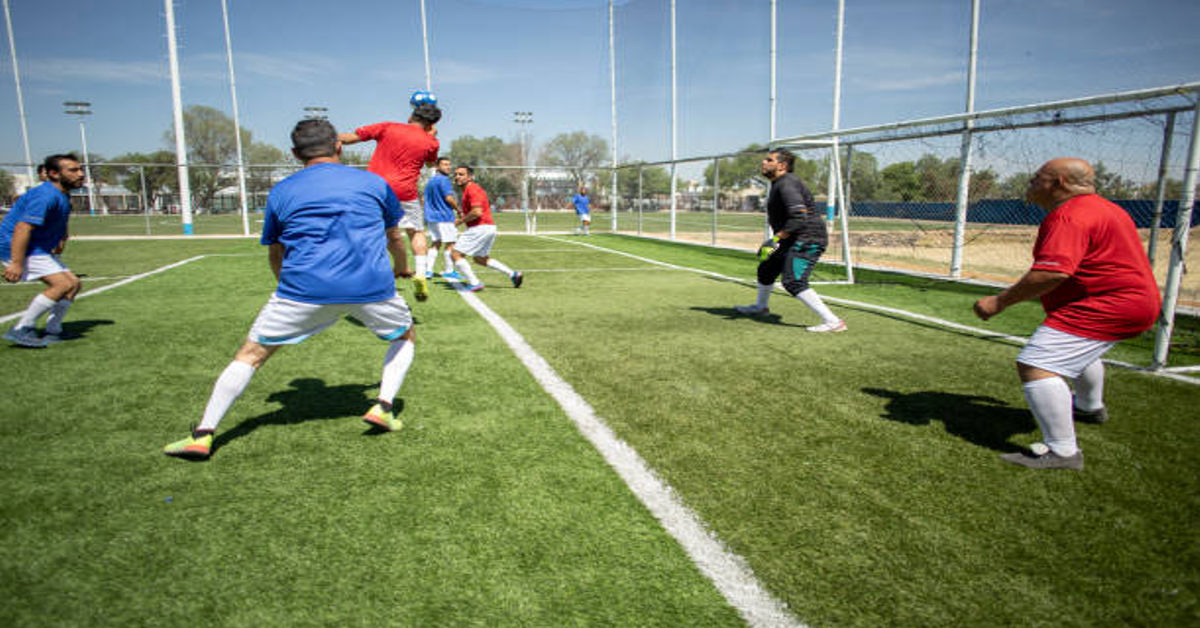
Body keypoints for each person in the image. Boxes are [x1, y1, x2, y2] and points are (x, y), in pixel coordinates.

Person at [164, 119, 417, 460]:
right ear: (339, 146)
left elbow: (275, 251)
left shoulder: (282, 191)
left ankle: (203, 433)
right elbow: (395, 237)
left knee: (250, 355)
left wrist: (288, 289)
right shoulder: (374, 183)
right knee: (404, 336)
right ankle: (384, 406)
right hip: (371, 286)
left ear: (295, 154)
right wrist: (402, 266)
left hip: (302, 289)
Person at [973, 157, 1160, 471]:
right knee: (1078, 351)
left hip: (1107, 304)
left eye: (1036, 178)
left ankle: (1062, 452)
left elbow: (1051, 273)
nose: (1030, 184)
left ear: (1057, 182)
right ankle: (1089, 407)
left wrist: (999, 302)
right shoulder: (1107, 208)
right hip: (1133, 301)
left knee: (1036, 364)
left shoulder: (1069, 215)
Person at [734, 149, 846, 333]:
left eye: (769, 160)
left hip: (807, 238)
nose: (763, 162)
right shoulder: (779, 183)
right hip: (792, 238)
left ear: (782, 165)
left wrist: (775, 239)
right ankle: (761, 307)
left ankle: (833, 321)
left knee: (793, 281)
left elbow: (799, 217)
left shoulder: (787, 184)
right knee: (766, 269)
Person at [338, 102, 441, 302]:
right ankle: (420, 272)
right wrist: (431, 136)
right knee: (416, 232)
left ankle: (366, 277)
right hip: (405, 191)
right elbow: (430, 163)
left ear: (411, 117)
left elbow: (351, 138)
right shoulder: (431, 141)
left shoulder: (388, 127)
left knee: (372, 233)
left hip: (374, 188)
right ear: (431, 124)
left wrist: (330, 138)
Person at [1, 154, 86, 348]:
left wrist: (61, 238)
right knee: (62, 285)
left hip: (38, 247)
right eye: (73, 170)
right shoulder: (45, 195)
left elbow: (59, 220)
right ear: (54, 174)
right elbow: (23, 228)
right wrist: (16, 262)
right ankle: (22, 328)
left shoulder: (62, 193)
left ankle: (53, 331)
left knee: (73, 284)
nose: (80, 174)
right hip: (20, 246)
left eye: (80, 169)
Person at [449, 165, 523, 292]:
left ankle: (474, 283)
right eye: (455, 174)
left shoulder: (472, 189)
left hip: (480, 228)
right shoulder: (468, 190)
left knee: (455, 254)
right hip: (487, 227)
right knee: (480, 259)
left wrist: (460, 221)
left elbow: (477, 212)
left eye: (461, 174)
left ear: (470, 177)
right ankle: (513, 274)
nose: (457, 177)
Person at [422, 157, 461, 279]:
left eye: (449, 165)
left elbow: (423, 199)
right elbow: (448, 198)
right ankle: (449, 270)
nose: (448, 167)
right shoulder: (444, 180)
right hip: (444, 216)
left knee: (436, 243)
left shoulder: (430, 181)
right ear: (437, 167)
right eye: (445, 165)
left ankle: (428, 270)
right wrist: (459, 210)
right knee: (451, 243)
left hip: (432, 217)